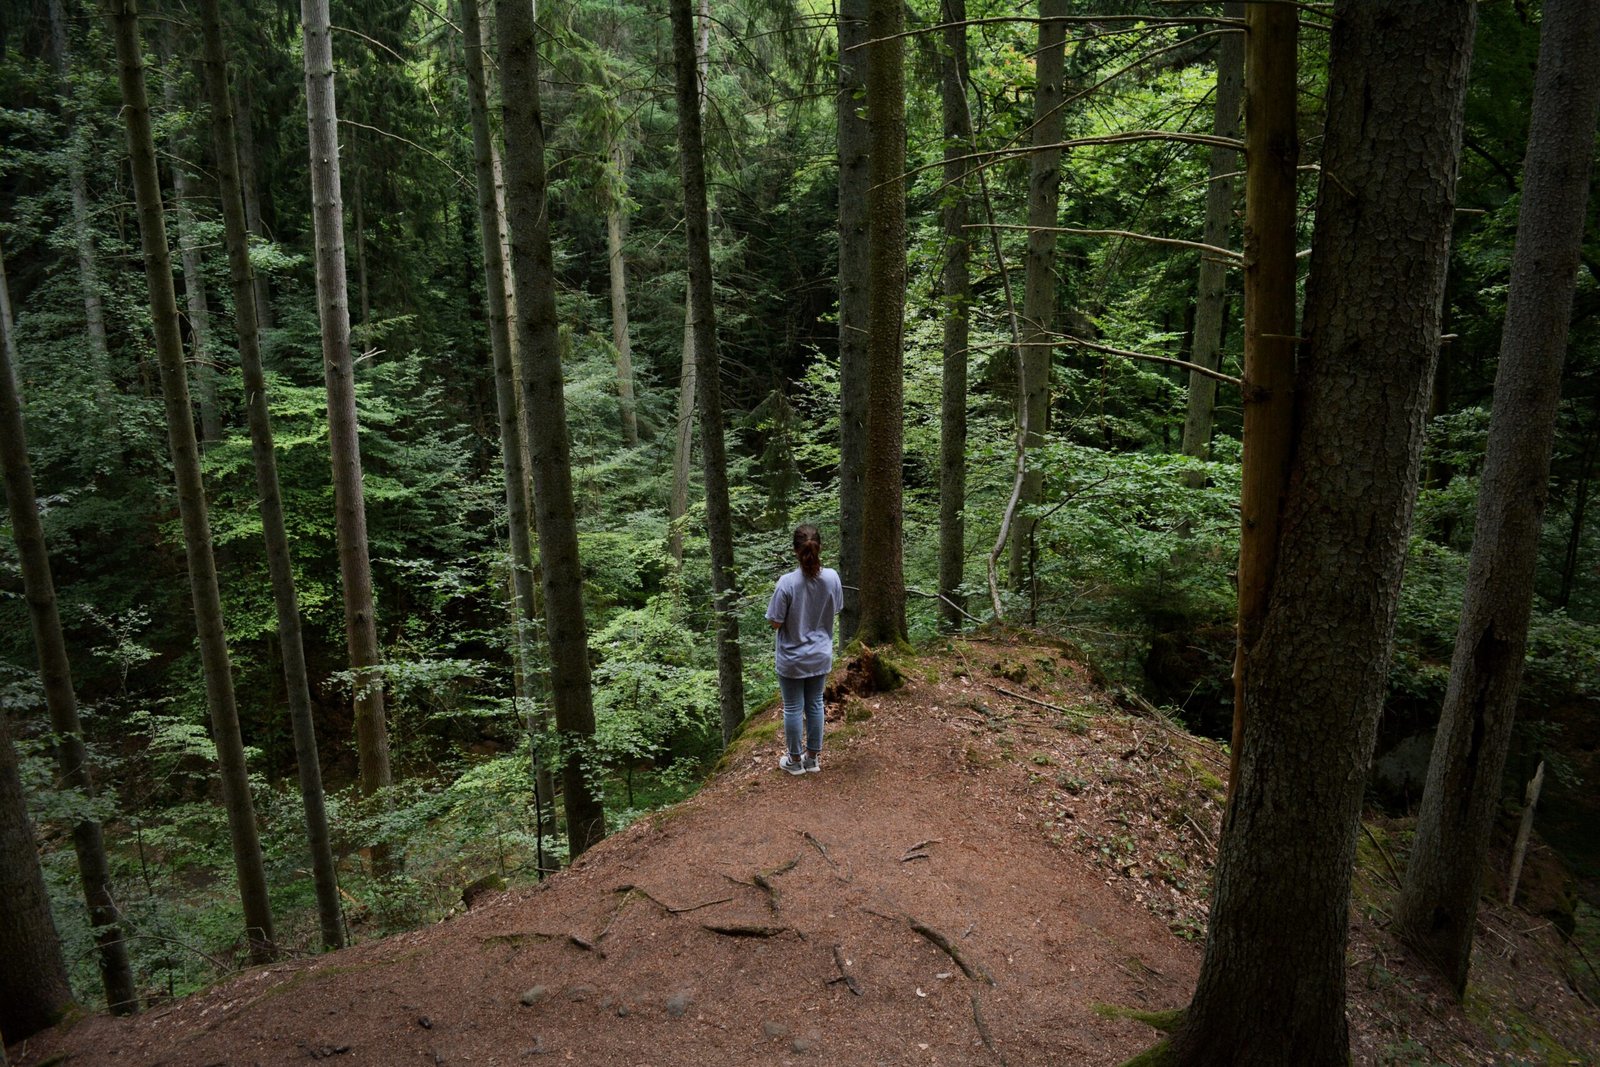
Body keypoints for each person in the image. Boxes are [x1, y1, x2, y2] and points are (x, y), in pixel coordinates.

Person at [765, 524, 843, 775]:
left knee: (793, 708)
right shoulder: (832, 577)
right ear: (820, 547)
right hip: (820, 655)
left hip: (792, 658)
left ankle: (794, 760)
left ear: (794, 550)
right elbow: (837, 608)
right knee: (815, 703)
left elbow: (775, 622)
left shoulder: (786, 583)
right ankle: (813, 759)